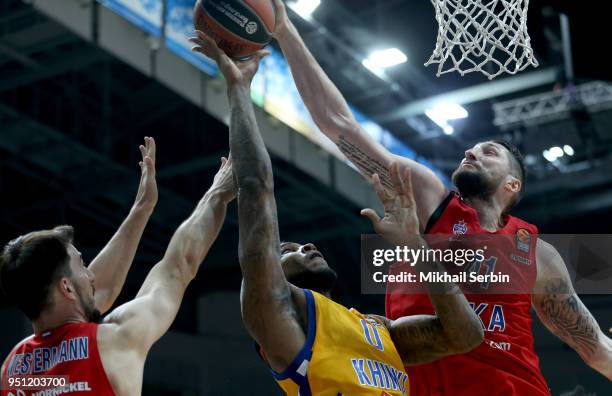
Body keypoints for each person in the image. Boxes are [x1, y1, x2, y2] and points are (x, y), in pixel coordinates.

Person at [269, 1, 612, 394]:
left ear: (512, 185)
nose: (471, 152)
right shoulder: (428, 200)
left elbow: (595, 347)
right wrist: (285, 30)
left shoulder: (537, 254)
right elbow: (339, 125)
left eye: (489, 152)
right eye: (471, 149)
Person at [189, 31, 483, 396]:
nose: (306, 245)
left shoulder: (378, 328)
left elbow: (467, 336)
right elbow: (255, 187)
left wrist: (416, 246)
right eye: (287, 249)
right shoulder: (280, 315)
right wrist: (238, 89)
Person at [0, 137, 236, 395]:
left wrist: (141, 209)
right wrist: (218, 194)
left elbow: (91, 297)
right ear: (66, 287)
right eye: (82, 265)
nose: (91, 275)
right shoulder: (114, 341)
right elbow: (178, 267)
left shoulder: (14, 370)